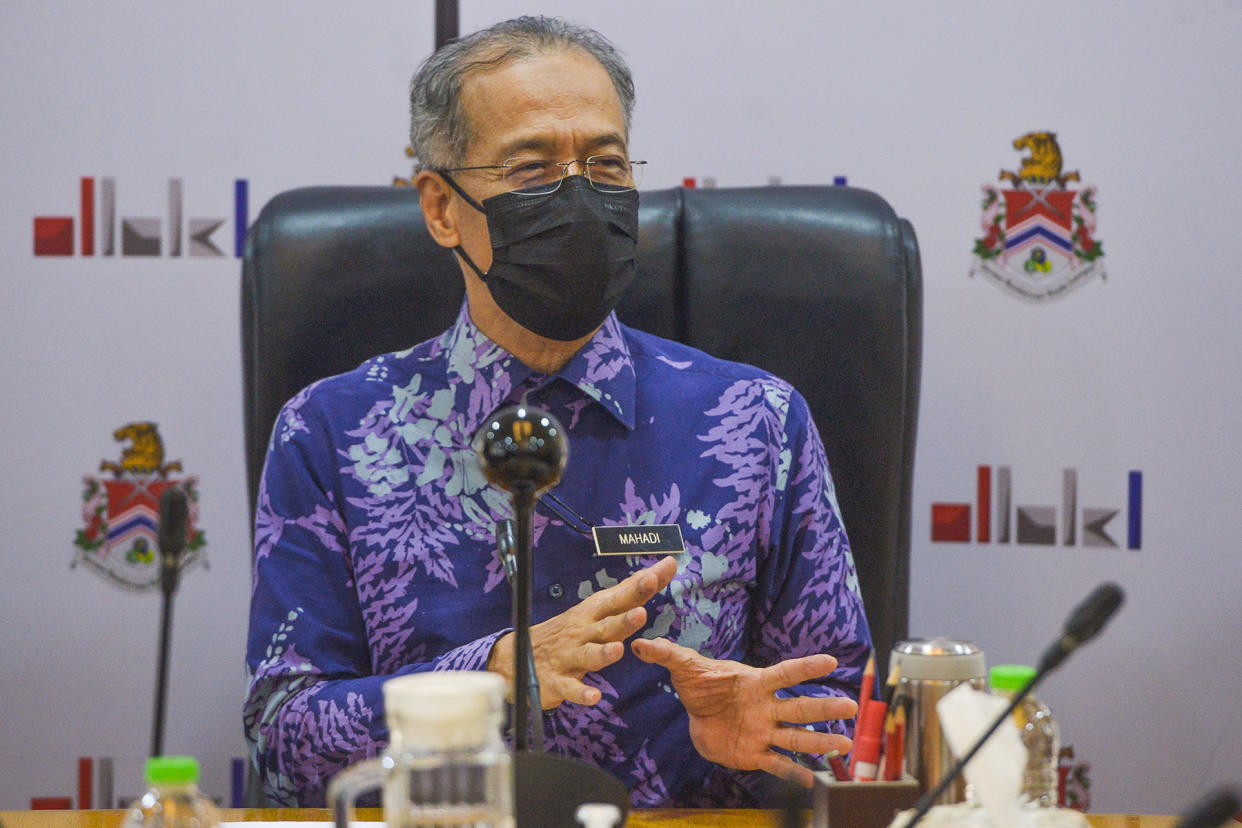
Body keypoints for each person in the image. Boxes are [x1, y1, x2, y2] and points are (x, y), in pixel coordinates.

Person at [245, 15, 871, 809]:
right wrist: (495, 674)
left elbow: (845, 726)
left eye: (605, 164)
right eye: (532, 169)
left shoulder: (757, 422)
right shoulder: (331, 433)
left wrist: (748, 749)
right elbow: (281, 743)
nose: (578, 197)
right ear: (441, 207)